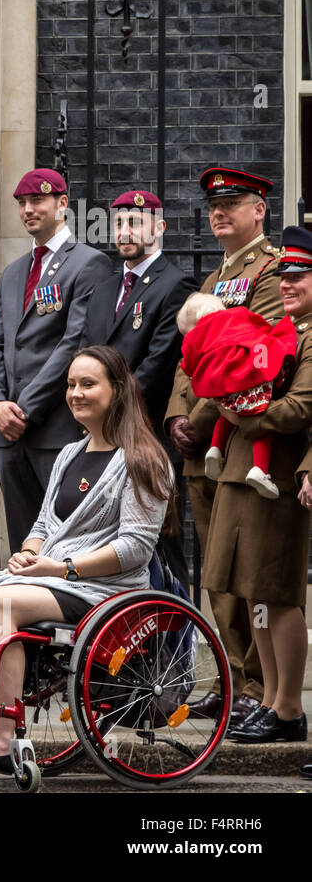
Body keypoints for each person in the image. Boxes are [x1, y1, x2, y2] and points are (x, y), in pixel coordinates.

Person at [0, 345, 172, 759]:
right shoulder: (69, 454)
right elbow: (45, 525)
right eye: (70, 385)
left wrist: (64, 568)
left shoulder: (144, 459)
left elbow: (135, 547)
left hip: (103, 588)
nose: (76, 393)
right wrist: (27, 553)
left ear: (117, 390)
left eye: (88, 384)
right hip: (51, 575)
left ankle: (2, 737)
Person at [165, 167, 281, 724]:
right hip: (202, 445)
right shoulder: (212, 281)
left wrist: (201, 412)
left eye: (232, 203)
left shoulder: (273, 272)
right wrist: (176, 414)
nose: (219, 212)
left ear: (260, 210)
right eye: (214, 205)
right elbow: (189, 358)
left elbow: (252, 357)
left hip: (243, 437)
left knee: (249, 571)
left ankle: (264, 685)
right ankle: (235, 679)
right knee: (215, 571)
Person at [203, 227, 312, 744]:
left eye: (300, 276)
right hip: (242, 472)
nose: (288, 284)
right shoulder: (278, 330)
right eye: (284, 276)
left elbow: (301, 409)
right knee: (252, 595)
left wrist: (242, 410)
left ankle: (289, 707)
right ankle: (268, 697)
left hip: (279, 480)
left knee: (277, 593)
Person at [0, 168, 112, 552]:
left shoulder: (90, 263)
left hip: (54, 427)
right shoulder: (12, 273)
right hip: (7, 432)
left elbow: (77, 343)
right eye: (22, 203)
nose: (27, 210)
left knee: (65, 542)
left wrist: (21, 409)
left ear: (63, 204)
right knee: (24, 543)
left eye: (37, 200)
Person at [81, 190, 196, 431]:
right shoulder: (102, 290)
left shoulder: (176, 285)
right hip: (100, 426)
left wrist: (109, 405)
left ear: (159, 228)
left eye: (135, 223)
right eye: (119, 224)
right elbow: (86, 352)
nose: (124, 233)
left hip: (144, 425)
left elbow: (158, 363)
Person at [178, 299, 295, 500]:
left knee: (226, 412)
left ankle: (215, 449)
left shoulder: (197, 335)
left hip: (226, 386)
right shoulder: (239, 313)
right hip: (253, 374)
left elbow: (188, 363)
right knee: (260, 422)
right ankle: (260, 469)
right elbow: (261, 325)